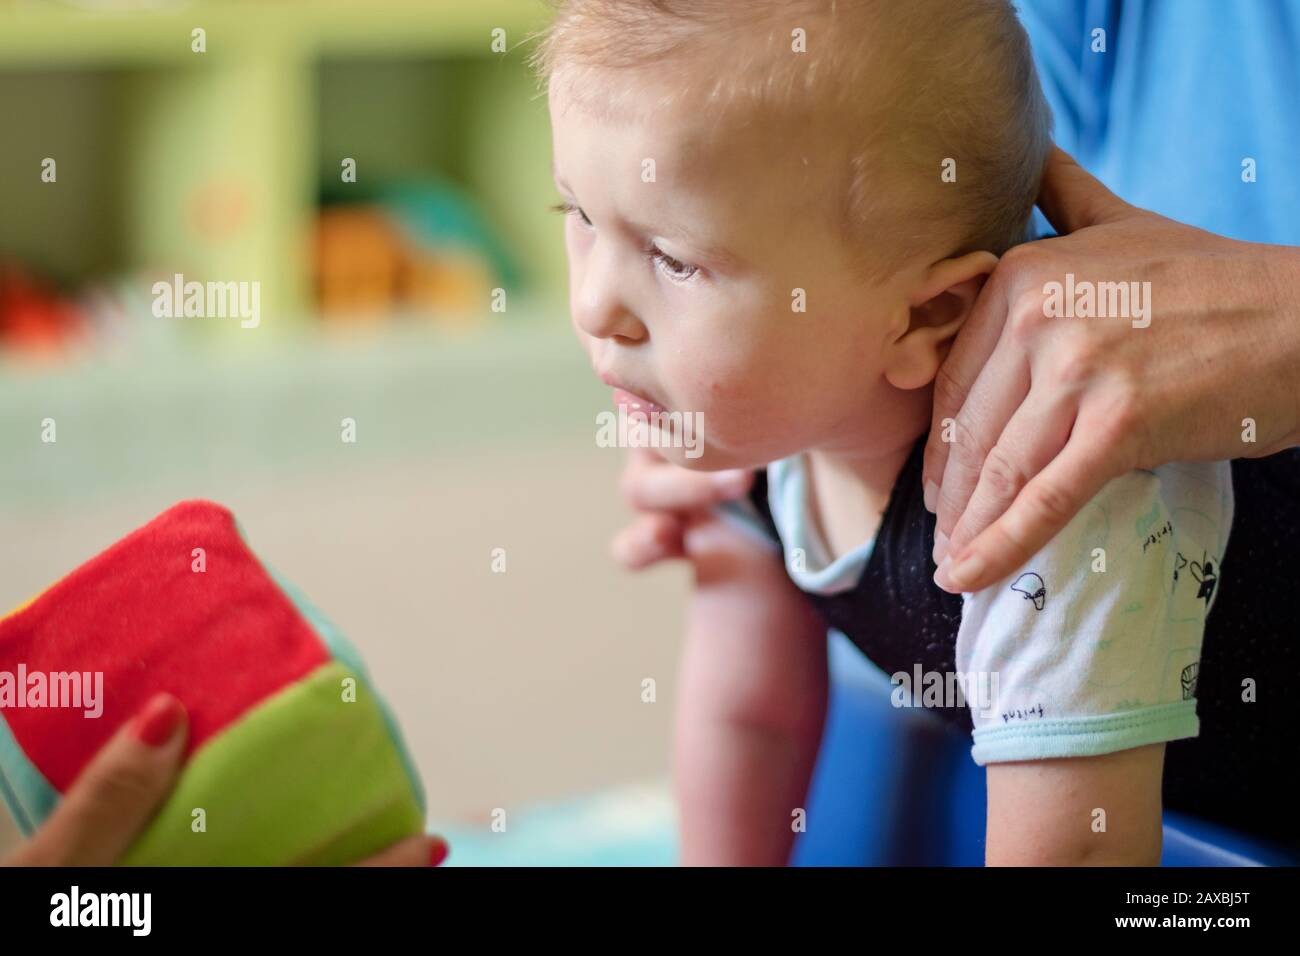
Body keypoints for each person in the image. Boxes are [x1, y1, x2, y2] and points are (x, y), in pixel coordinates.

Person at [544, 0, 1300, 864]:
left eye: (674, 259)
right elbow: (748, 719)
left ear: (927, 315)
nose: (594, 304)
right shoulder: (761, 426)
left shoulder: (1047, 505)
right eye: (578, 216)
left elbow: (1081, 852)